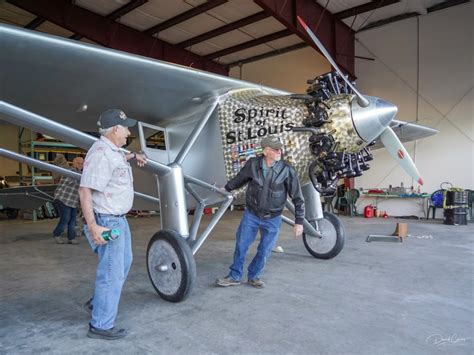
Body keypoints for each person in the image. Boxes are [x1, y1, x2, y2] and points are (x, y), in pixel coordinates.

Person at [79, 109, 147, 340]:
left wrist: (132, 155)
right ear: (115, 129)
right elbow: (85, 191)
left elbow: (117, 162)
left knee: (123, 263)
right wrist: (94, 226)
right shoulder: (101, 154)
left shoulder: (113, 152)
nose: (129, 132)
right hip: (107, 221)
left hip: (118, 219)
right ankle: (101, 325)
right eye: (126, 127)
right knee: (111, 271)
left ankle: (100, 301)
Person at [216, 136, 305, 289]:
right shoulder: (252, 164)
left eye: (280, 148)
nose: (279, 151)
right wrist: (226, 189)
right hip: (252, 214)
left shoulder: (287, 170)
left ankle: (254, 276)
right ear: (265, 151)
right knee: (241, 246)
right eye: (275, 149)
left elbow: (298, 197)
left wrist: (299, 221)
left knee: (265, 250)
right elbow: (239, 179)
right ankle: (234, 276)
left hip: (273, 218)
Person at [52, 156, 84, 245]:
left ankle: (71, 238)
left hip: (72, 202)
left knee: (73, 220)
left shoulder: (80, 173)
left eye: (82, 163)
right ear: (73, 163)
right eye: (78, 163)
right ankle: (56, 234)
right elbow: (78, 181)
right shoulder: (71, 171)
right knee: (66, 219)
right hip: (63, 199)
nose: (80, 165)